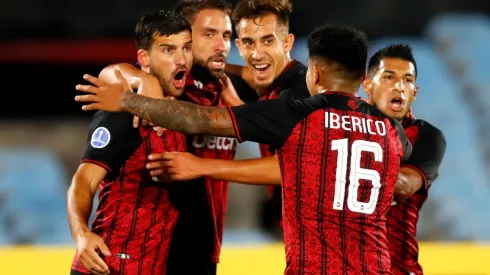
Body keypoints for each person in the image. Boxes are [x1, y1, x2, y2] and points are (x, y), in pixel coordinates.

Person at [75, 24, 412, 275]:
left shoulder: (299, 114)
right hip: (378, 266)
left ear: (316, 71)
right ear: (361, 77)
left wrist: (127, 99)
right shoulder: (392, 131)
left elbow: (199, 120)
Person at [97, 1, 255, 274]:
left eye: (227, 36)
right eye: (208, 34)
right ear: (185, 38)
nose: (221, 45)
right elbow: (110, 74)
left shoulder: (229, 88)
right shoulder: (169, 83)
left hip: (206, 248)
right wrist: (143, 81)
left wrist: (239, 108)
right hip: (155, 248)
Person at [147, 0, 309, 234]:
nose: (256, 53)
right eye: (248, 42)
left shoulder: (295, 94)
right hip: (162, 246)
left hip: (320, 239)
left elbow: (291, 169)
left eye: (267, 40)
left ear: (287, 42)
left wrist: (201, 165)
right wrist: (143, 79)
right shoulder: (273, 85)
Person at [67, 10, 192, 275]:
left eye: (186, 48)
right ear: (144, 58)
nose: (181, 59)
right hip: (108, 266)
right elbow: (84, 180)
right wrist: (81, 234)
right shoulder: (122, 114)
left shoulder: (185, 110)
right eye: (168, 50)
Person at [364, 44, 446, 275]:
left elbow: (402, 186)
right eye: (389, 77)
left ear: (415, 92)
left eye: (407, 80)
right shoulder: (341, 127)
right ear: (368, 85)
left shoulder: (427, 136)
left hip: (396, 269)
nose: (399, 86)